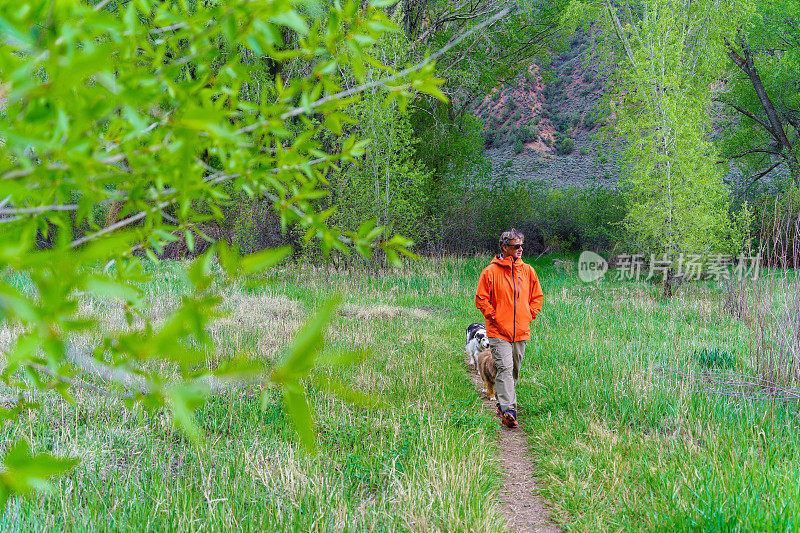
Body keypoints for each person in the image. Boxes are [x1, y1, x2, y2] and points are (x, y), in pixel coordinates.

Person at [475, 229, 544, 428]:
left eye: (522, 245)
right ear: (505, 248)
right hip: (498, 332)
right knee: (504, 368)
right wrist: (495, 317)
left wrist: (530, 314)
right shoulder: (490, 272)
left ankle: (502, 405)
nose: (520, 249)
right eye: (516, 246)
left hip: (521, 331)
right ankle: (509, 410)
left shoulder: (528, 271)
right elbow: (481, 299)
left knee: (513, 371)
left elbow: (537, 296)